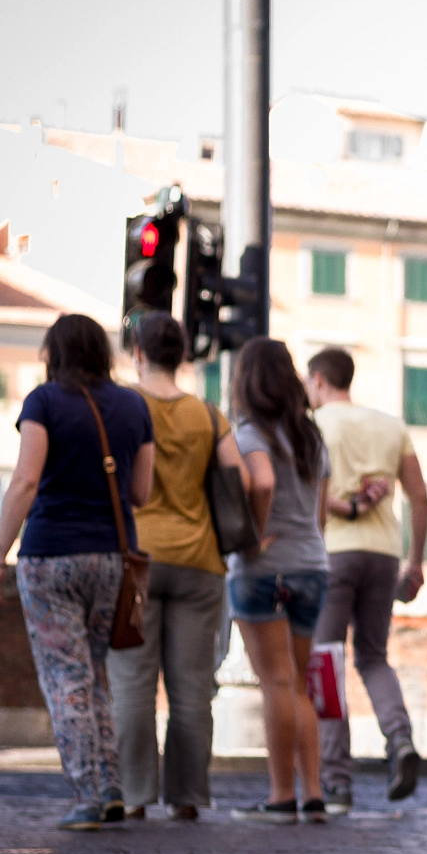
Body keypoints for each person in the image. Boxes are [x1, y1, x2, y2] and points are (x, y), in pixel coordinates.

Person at [0, 314, 154, 831]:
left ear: (53, 352)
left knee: (65, 679)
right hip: (110, 559)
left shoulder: (44, 401)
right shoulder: (133, 404)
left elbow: (25, 481)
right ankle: (112, 786)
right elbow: (141, 493)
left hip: (50, 554)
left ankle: (88, 795)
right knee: (94, 675)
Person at [106, 315, 248, 822]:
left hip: (135, 559)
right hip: (199, 561)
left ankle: (135, 796)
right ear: (182, 356)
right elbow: (244, 479)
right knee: (192, 687)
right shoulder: (207, 416)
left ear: (138, 353)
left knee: (131, 684)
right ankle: (187, 798)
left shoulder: (122, 403)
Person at [304, 347, 427, 813]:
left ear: (318, 380)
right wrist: (414, 563)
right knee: (374, 657)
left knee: (327, 661)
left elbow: (308, 496)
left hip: (332, 554)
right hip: (382, 555)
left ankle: (336, 782)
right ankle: (399, 739)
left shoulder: (314, 426)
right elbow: (420, 498)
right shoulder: (391, 426)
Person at [226, 338, 332, 824]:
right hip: (312, 565)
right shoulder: (312, 436)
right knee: (300, 685)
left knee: (275, 682)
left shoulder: (251, 435)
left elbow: (262, 482)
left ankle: (280, 796)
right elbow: (321, 510)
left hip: (266, 568)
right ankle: (313, 794)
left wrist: (253, 538)